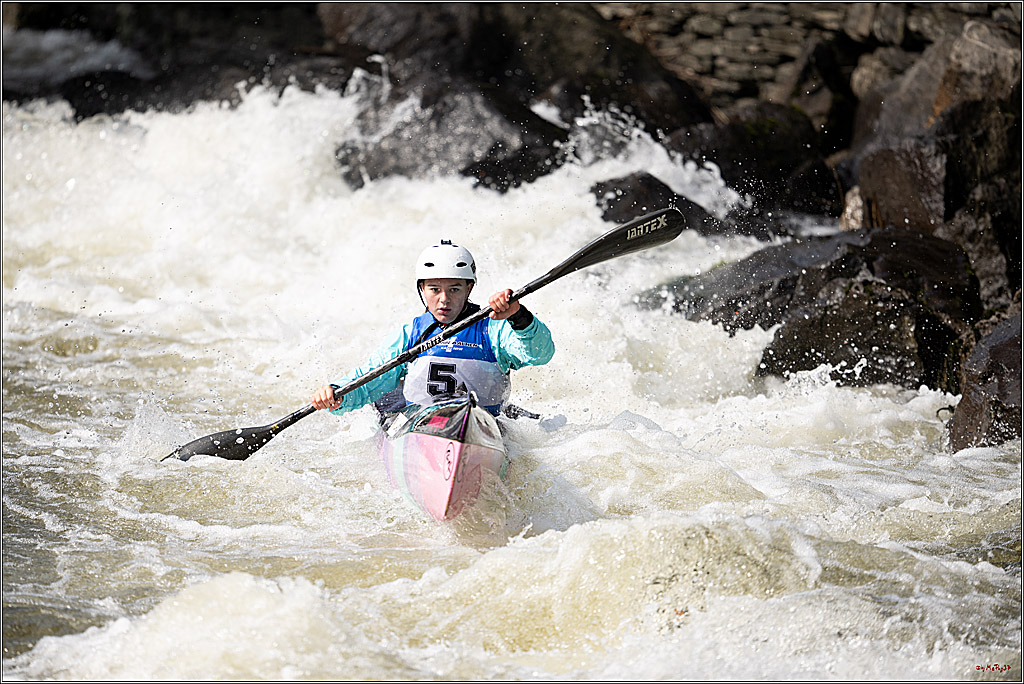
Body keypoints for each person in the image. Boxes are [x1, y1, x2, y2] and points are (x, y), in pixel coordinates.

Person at [311, 240, 555, 419]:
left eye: (455, 289)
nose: (444, 299)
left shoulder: (493, 330)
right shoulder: (411, 334)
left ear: (469, 288)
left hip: (482, 426)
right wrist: (337, 394)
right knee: (386, 396)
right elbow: (371, 378)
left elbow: (540, 354)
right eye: (434, 289)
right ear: (422, 289)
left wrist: (518, 316)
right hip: (424, 427)